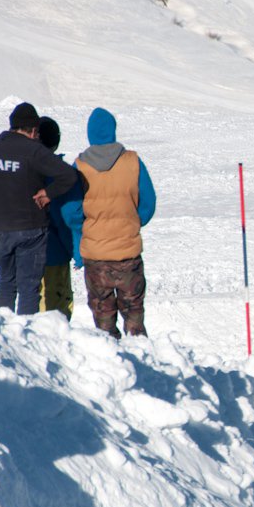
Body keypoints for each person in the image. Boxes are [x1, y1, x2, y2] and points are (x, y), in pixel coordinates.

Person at [62, 107, 156, 338]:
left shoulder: (80, 166)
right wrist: (131, 222)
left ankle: (112, 359)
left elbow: (70, 210)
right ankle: (141, 357)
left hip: (96, 256)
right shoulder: (133, 161)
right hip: (128, 253)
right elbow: (148, 202)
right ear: (113, 130)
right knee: (134, 312)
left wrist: (87, 229)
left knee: (103, 316)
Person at [0, 102, 79, 315]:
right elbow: (69, 176)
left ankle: (0, 332)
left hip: (0, 227)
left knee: (5, 282)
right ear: (34, 131)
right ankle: (24, 337)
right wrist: (48, 193)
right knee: (28, 288)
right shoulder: (33, 150)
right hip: (31, 228)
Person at [37, 116, 79, 319]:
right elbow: (66, 217)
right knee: (57, 308)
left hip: (28, 253)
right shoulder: (61, 174)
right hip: (55, 254)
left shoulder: (26, 170)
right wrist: (75, 250)